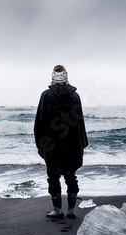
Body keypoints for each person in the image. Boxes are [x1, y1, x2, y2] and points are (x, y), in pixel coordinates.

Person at [34, 65, 88, 219]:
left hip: (52, 143)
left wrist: (39, 143)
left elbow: (40, 121)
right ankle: (71, 210)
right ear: (67, 77)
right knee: (71, 175)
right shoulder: (75, 96)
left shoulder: (46, 95)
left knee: (53, 176)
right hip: (72, 143)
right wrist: (82, 143)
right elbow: (80, 123)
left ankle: (57, 210)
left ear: (52, 77)